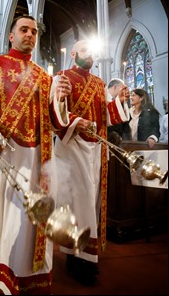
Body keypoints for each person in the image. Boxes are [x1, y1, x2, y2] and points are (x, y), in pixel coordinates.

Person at [0, 15, 72, 295]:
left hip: (37, 159)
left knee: (28, 220)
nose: (30, 35)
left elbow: (57, 121)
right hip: (4, 153)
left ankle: (23, 271)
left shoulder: (44, 76)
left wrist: (59, 99)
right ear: (11, 36)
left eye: (34, 32)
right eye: (24, 30)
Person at [53, 39, 130, 285]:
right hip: (72, 148)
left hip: (96, 150)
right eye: (84, 50)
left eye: (92, 50)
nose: (90, 54)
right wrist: (76, 121)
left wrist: (120, 101)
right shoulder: (61, 78)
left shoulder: (98, 83)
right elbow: (56, 112)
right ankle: (77, 258)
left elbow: (107, 115)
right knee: (79, 203)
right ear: (73, 54)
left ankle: (85, 256)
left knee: (92, 202)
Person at [106, 78, 131, 144]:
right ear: (115, 87)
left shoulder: (119, 101)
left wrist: (128, 142)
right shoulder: (102, 97)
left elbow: (125, 125)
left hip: (120, 142)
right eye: (122, 89)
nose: (124, 91)